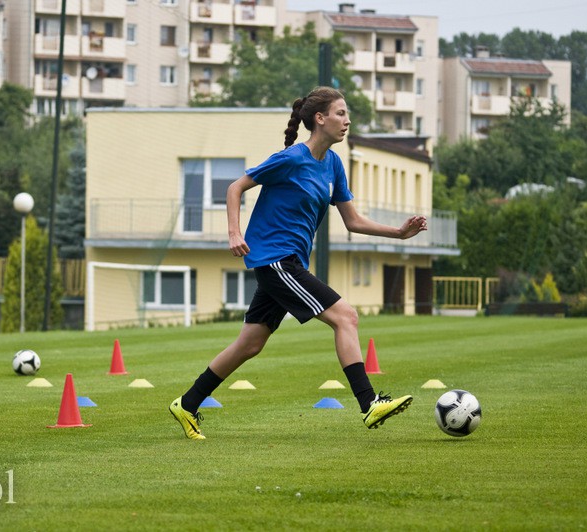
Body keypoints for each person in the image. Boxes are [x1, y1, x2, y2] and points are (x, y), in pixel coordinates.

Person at [169, 87, 428, 440]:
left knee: (250, 344)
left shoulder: (334, 164)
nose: (347, 120)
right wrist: (234, 233)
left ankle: (187, 403)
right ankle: (369, 404)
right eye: (340, 113)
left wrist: (399, 233)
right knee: (346, 317)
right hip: (276, 260)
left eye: (347, 114)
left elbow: (352, 221)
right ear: (319, 119)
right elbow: (235, 188)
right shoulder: (291, 158)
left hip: (286, 261)